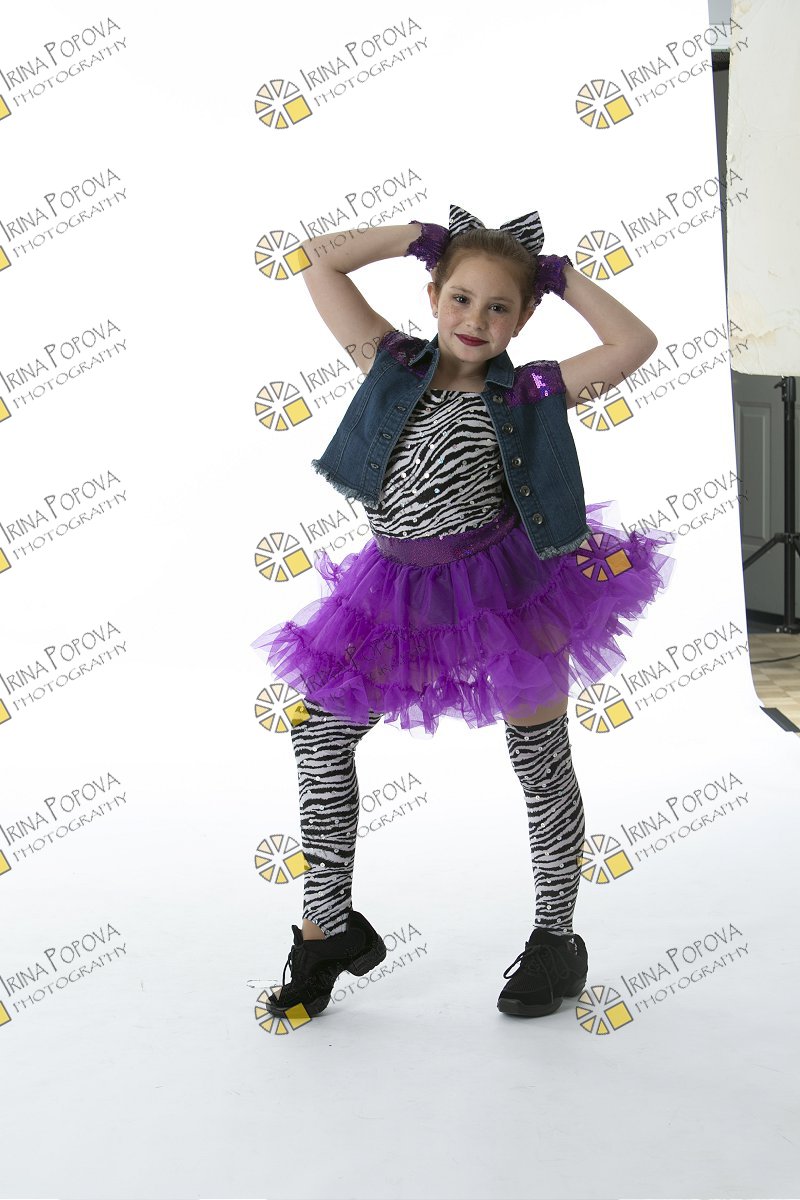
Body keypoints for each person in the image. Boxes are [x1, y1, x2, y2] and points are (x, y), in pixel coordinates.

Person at [251, 206, 676, 1020]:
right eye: (461, 298)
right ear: (433, 297)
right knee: (321, 733)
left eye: (500, 306)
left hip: (510, 588)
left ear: (523, 318)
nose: (476, 319)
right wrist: (418, 240)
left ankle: (556, 939)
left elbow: (634, 343)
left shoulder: (534, 391)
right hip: (395, 591)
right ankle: (325, 928)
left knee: (538, 755)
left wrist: (559, 276)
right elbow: (317, 263)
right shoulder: (387, 360)